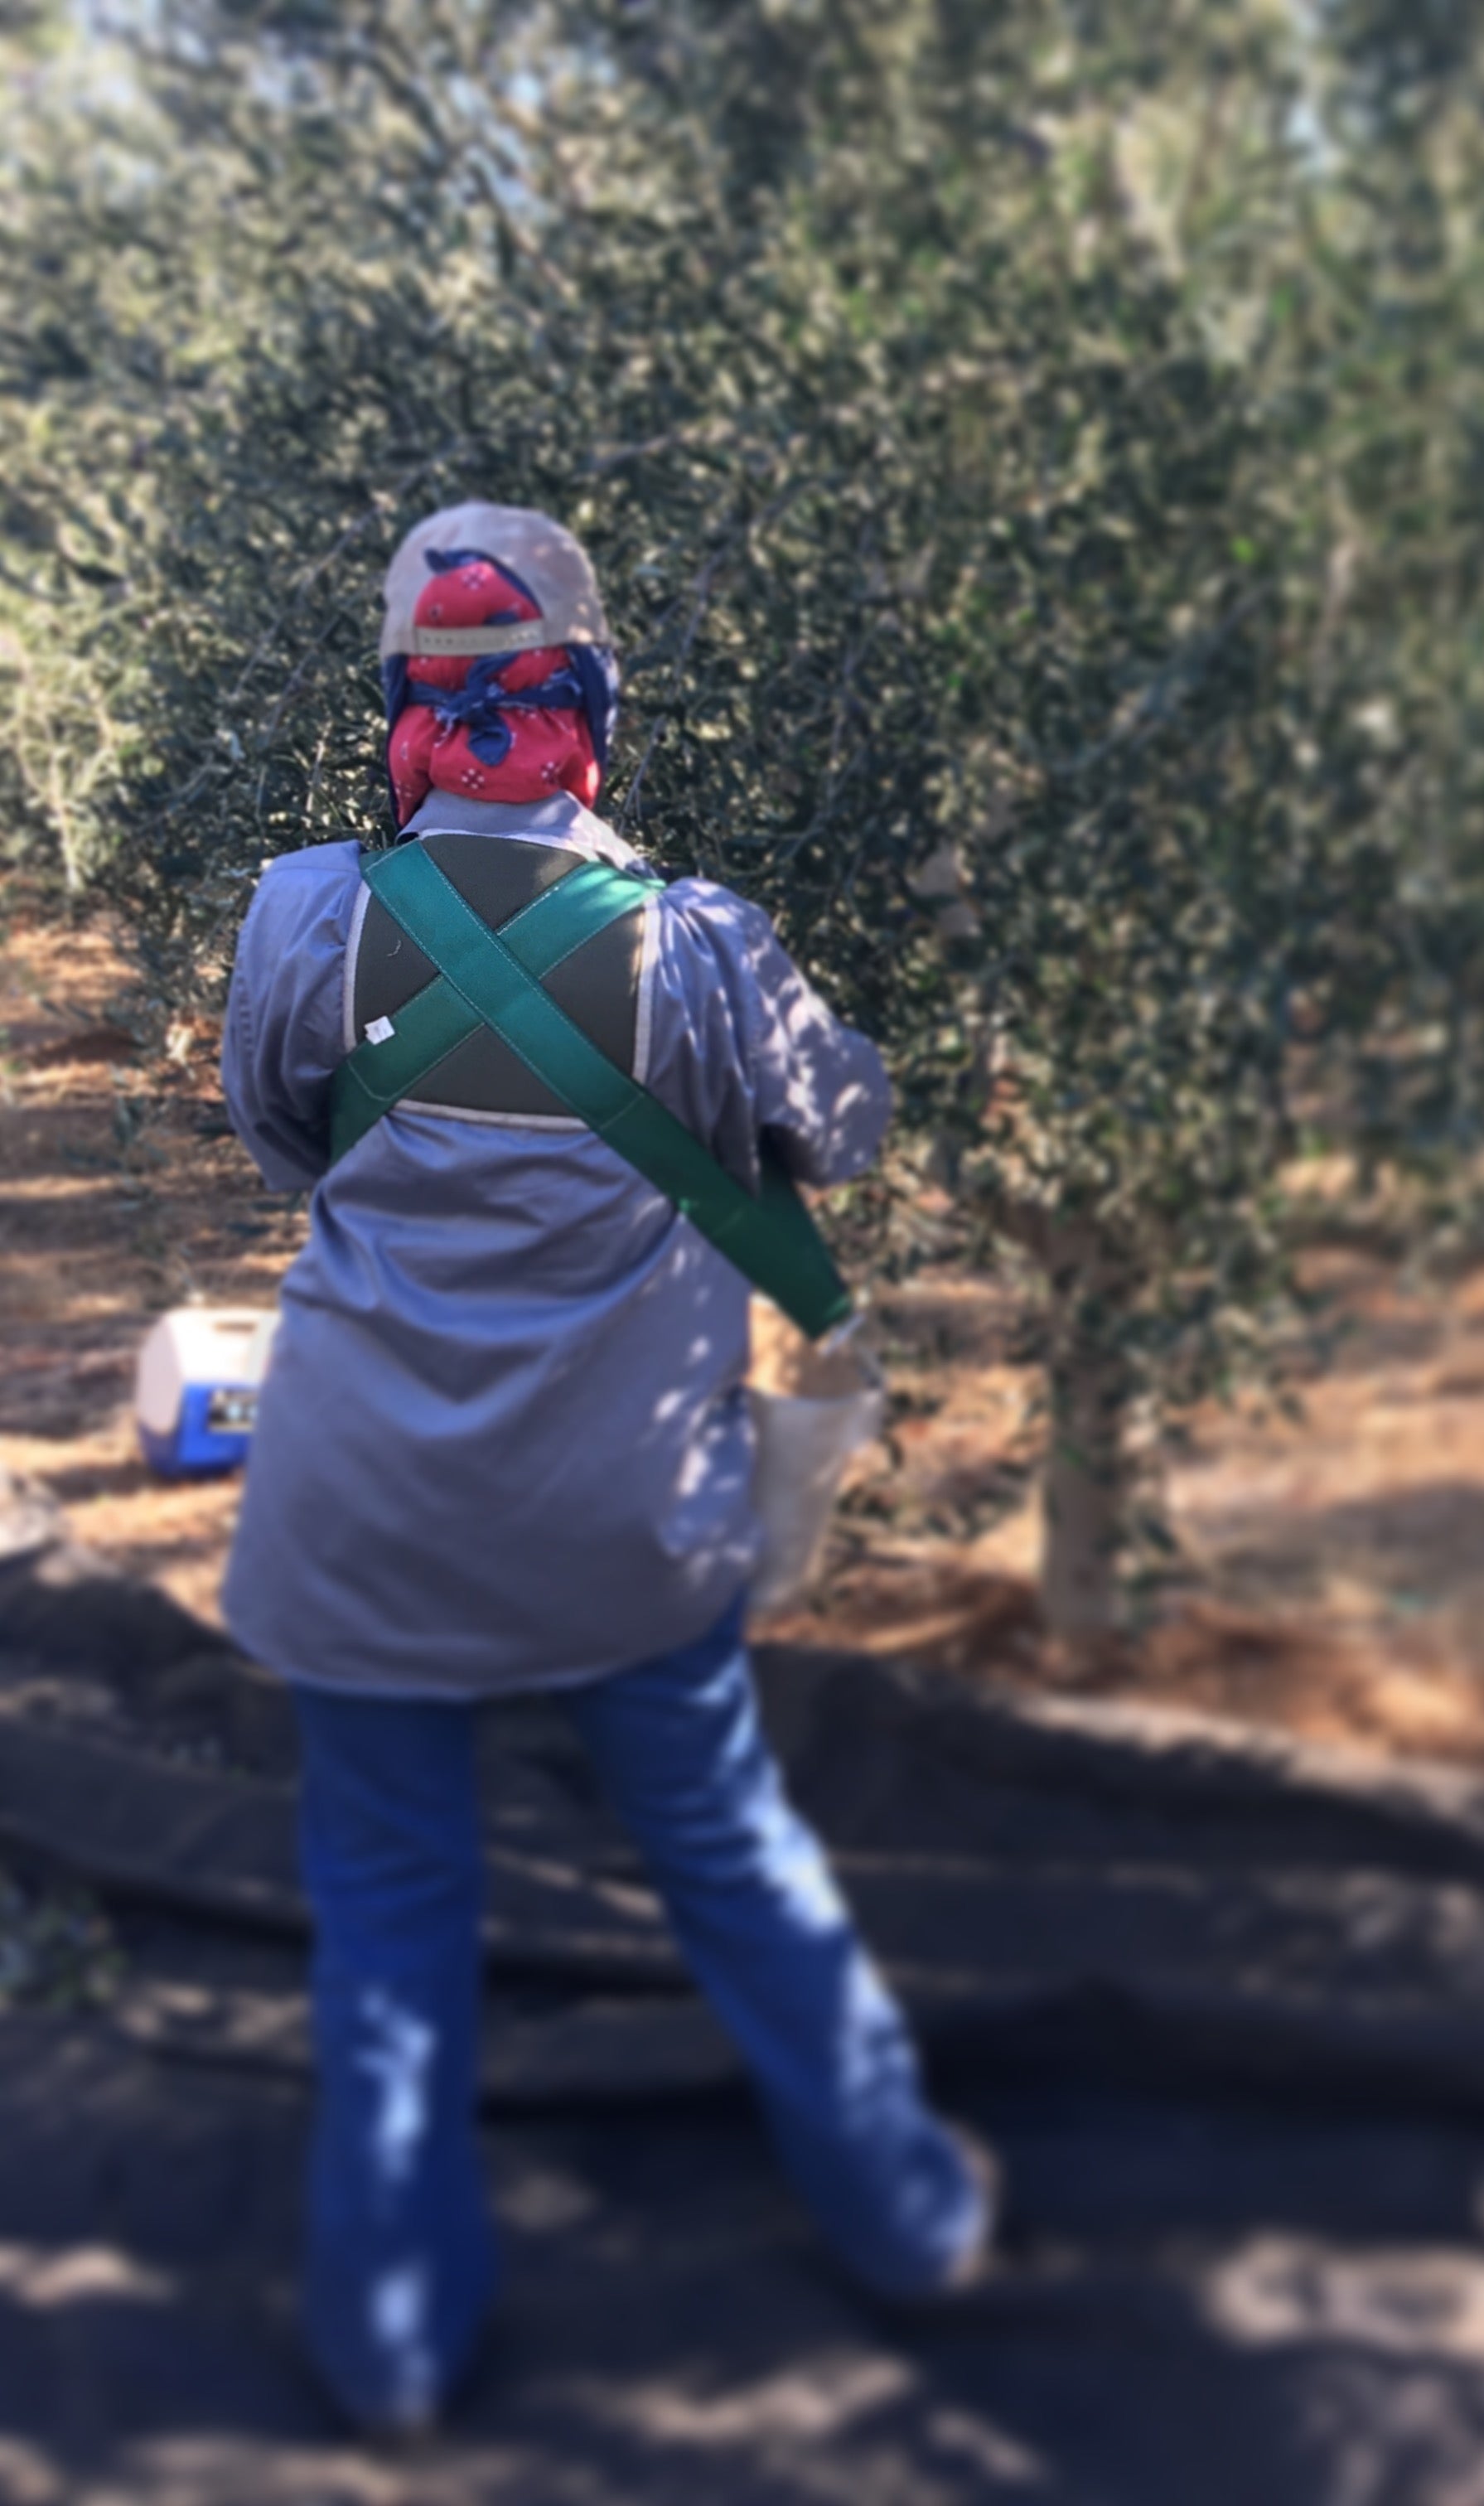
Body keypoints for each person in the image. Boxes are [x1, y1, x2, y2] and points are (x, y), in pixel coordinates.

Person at [218, 501, 989, 2436]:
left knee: (392, 1923)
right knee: (734, 1865)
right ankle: (902, 2215)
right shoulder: (702, 948)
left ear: (400, 707)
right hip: (623, 1531)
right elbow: (845, 1127)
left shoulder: (308, 916)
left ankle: (390, 2342)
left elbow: (282, 1141)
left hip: (362, 1515)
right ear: (596, 705)